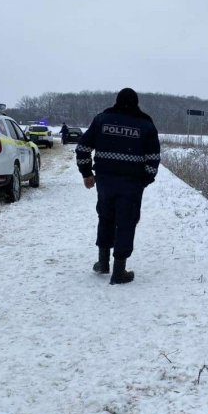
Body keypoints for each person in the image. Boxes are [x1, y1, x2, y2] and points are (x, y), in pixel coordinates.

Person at [75, 88, 160, 284]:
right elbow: (153, 159)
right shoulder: (145, 125)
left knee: (105, 217)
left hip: (105, 181)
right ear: (136, 102)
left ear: (117, 101)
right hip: (131, 184)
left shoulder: (102, 119)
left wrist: (86, 173)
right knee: (126, 222)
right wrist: (144, 180)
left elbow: (83, 148)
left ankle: (103, 262)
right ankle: (119, 271)